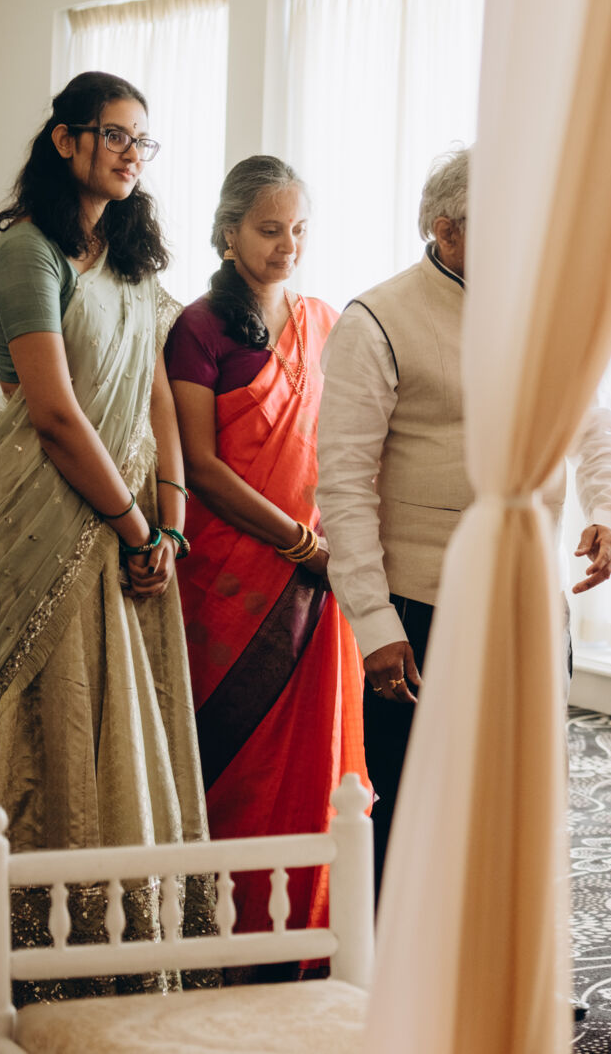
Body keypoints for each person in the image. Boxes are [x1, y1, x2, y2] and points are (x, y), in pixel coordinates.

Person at [316, 145, 611, 894]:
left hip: (530, 601)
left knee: (523, 796)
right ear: (446, 230)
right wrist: (374, 621)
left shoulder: (546, 313)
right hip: (420, 606)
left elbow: (596, 428)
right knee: (413, 807)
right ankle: (393, 960)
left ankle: (512, 957)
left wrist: (608, 510)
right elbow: (344, 484)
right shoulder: (376, 319)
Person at [0, 71, 208, 995]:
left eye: (141, 139)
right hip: (54, 507)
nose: (130, 153)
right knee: (57, 707)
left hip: (133, 515)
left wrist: (171, 523)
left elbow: (154, 395)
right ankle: (44, 955)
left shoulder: (128, 256)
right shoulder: (26, 254)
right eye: (114, 134)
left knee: (132, 709)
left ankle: (135, 934)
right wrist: (135, 523)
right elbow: (55, 415)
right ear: (66, 139)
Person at [165, 155, 368, 943]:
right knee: (232, 752)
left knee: (313, 756)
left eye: (299, 229)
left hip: (320, 570)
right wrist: (300, 544)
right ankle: (222, 930)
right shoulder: (198, 329)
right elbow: (202, 465)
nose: (288, 245)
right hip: (232, 573)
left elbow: (349, 441)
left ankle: (309, 925)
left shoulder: (325, 321)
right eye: (270, 229)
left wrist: (334, 545)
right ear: (228, 233)